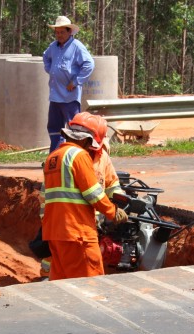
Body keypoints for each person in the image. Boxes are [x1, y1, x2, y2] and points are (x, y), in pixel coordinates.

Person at [41, 112, 128, 280]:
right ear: (85, 139)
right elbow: (93, 193)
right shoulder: (79, 156)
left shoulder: (53, 157)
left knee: (63, 282)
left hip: (54, 232)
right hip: (77, 232)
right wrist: (113, 211)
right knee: (91, 283)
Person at [43, 16, 95, 153]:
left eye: (62, 32)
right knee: (54, 128)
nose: (59, 35)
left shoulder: (76, 46)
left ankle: (75, 155)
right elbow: (46, 57)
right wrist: (51, 70)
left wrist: (76, 81)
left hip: (69, 96)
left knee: (74, 128)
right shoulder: (53, 46)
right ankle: (55, 155)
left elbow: (89, 64)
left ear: (69, 32)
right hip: (55, 95)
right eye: (57, 32)